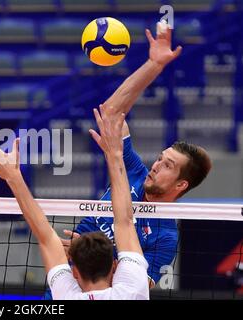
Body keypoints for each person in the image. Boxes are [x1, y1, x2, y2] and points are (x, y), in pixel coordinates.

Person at [56, 20, 212, 292]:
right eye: (161, 158)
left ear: (181, 184)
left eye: (168, 165)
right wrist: (154, 65)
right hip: (68, 279)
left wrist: (89, 255)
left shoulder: (166, 238)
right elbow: (112, 113)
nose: (156, 165)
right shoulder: (135, 171)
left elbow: (135, 290)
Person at [0, 106, 149, 299]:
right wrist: (115, 155)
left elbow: (46, 236)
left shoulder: (65, 296)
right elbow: (124, 219)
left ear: (74, 273)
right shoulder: (133, 290)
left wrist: (13, 177)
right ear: (115, 266)